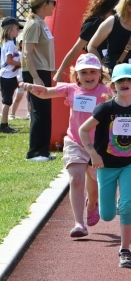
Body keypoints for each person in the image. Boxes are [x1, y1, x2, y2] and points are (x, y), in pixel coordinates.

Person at [78, 63, 131, 267]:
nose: (125, 83)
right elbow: (83, 130)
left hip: (129, 164)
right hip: (105, 165)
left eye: (129, 80)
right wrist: (93, 154)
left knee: (126, 206)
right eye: (120, 81)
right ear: (113, 86)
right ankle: (95, 202)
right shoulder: (105, 108)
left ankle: (125, 250)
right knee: (107, 215)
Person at [21, 53, 111, 236]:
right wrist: (32, 87)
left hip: (98, 147)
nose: (88, 76)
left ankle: (92, 204)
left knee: (95, 188)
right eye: (83, 72)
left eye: (92, 72)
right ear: (76, 75)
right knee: (76, 179)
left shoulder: (107, 91)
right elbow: (46, 92)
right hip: (75, 142)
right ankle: (79, 223)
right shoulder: (70, 89)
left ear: (100, 73)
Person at [55, 0, 122, 83]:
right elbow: (76, 49)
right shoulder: (94, 23)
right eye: (115, 11)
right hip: (97, 73)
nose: (117, 15)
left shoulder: (119, 23)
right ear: (108, 7)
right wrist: (60, 72)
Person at [22, 0, 57, 161]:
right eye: (53, 2)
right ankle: (34, 152)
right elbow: (27, 53)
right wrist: (35, 77)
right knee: (39, 111)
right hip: (35, 72)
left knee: (44, 112)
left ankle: (43, 150)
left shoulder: (41, 22)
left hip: (42, 71)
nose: (54, 6)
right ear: (44, 4)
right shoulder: (34, 24)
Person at [1, 17, 22, 134]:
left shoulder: (8, 43)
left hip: (10, 76)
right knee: (7, 101)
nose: (18, 31)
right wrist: (20, 64)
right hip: (7, 77)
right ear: (9, 29)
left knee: (7, 100)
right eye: (16, 28)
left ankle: (4, 124)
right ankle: (4, 125)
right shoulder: (9, 44)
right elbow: (9, 60)